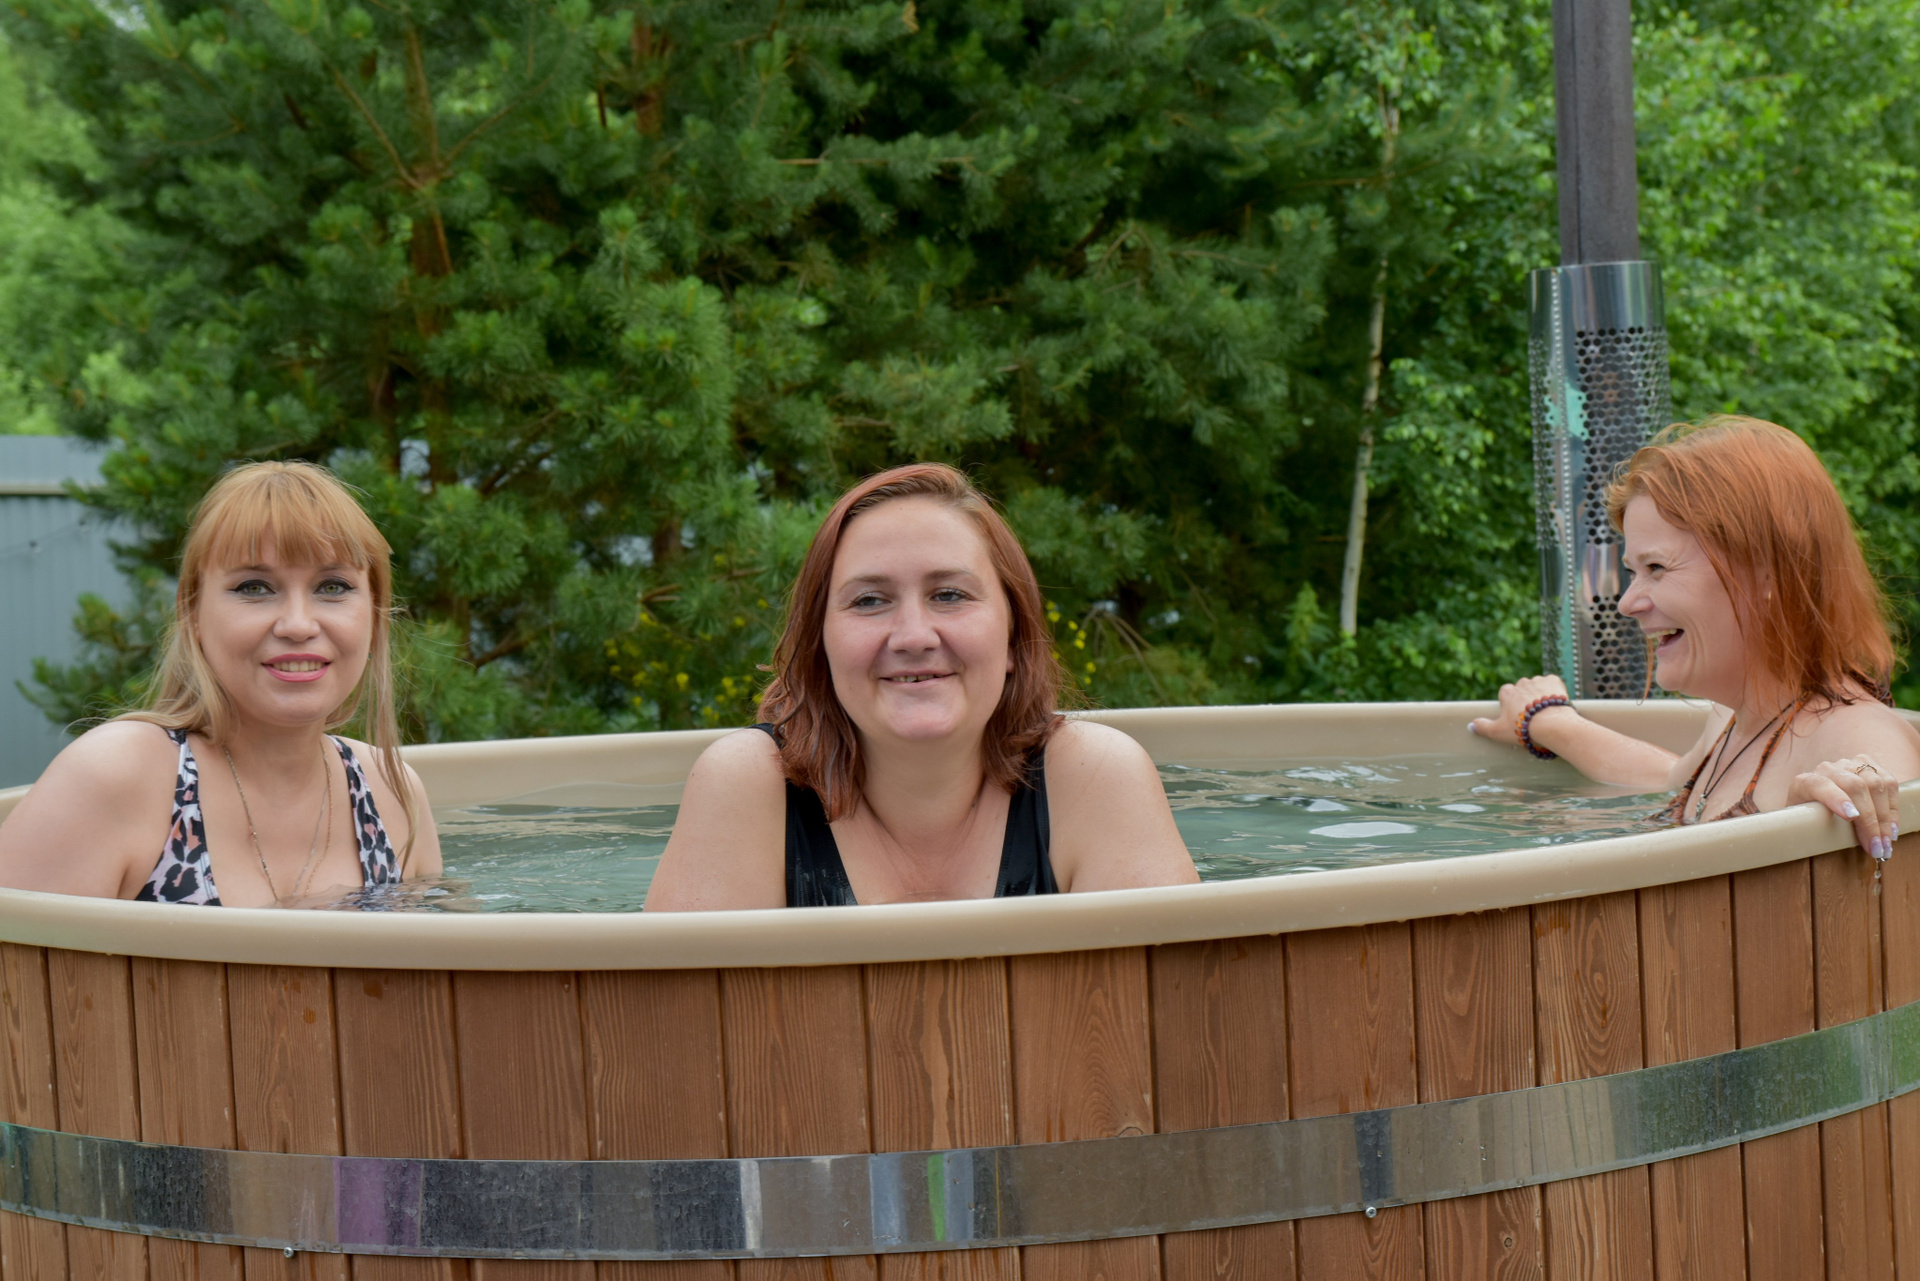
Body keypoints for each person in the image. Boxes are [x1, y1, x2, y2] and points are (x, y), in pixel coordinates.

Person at [647, 463, 1198, 909]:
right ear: (820, 646)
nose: (913, 636)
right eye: (869, 600)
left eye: (950, 595)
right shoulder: (747, 787)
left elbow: (1162, 1005)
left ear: (1013, 637)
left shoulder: (1094, 778)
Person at [1472, 417, 1919, 858]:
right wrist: (1549, 721)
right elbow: (1667, 777)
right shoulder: (1735, 717)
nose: (1627, 603)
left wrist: (1812, 836)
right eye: (1633, 572)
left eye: (1657, 568)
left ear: (1767, 573)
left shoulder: (1859, 740)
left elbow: (1888, 826)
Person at [0, 461, 440, 905]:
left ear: (375, 614)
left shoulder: (393, 793)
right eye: (254, 587)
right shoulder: (116, 775)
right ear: (192, 613)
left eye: (333, 586)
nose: (298, 624)